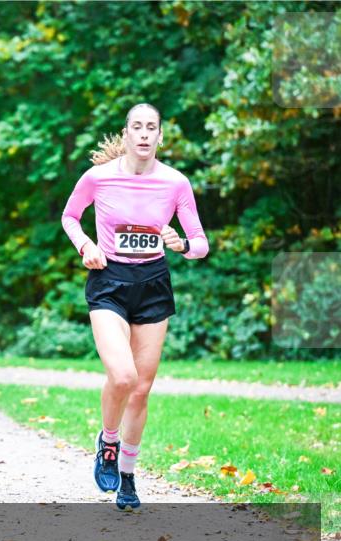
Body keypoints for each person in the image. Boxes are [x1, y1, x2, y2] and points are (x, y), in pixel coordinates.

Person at [61, 102, 209, 510]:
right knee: (123, 376)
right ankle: (108, 441)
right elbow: (70, 217)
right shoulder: (98, 178)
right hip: (109, 280)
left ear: (160, 137)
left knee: (141, 390)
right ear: (125, 134)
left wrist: (182, 245)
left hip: (153, 283)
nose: (144, 135)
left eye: (151, 128)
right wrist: (85, 245)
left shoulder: (175, 183)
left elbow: (200, 243)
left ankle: (127, 476)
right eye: (137, 127)